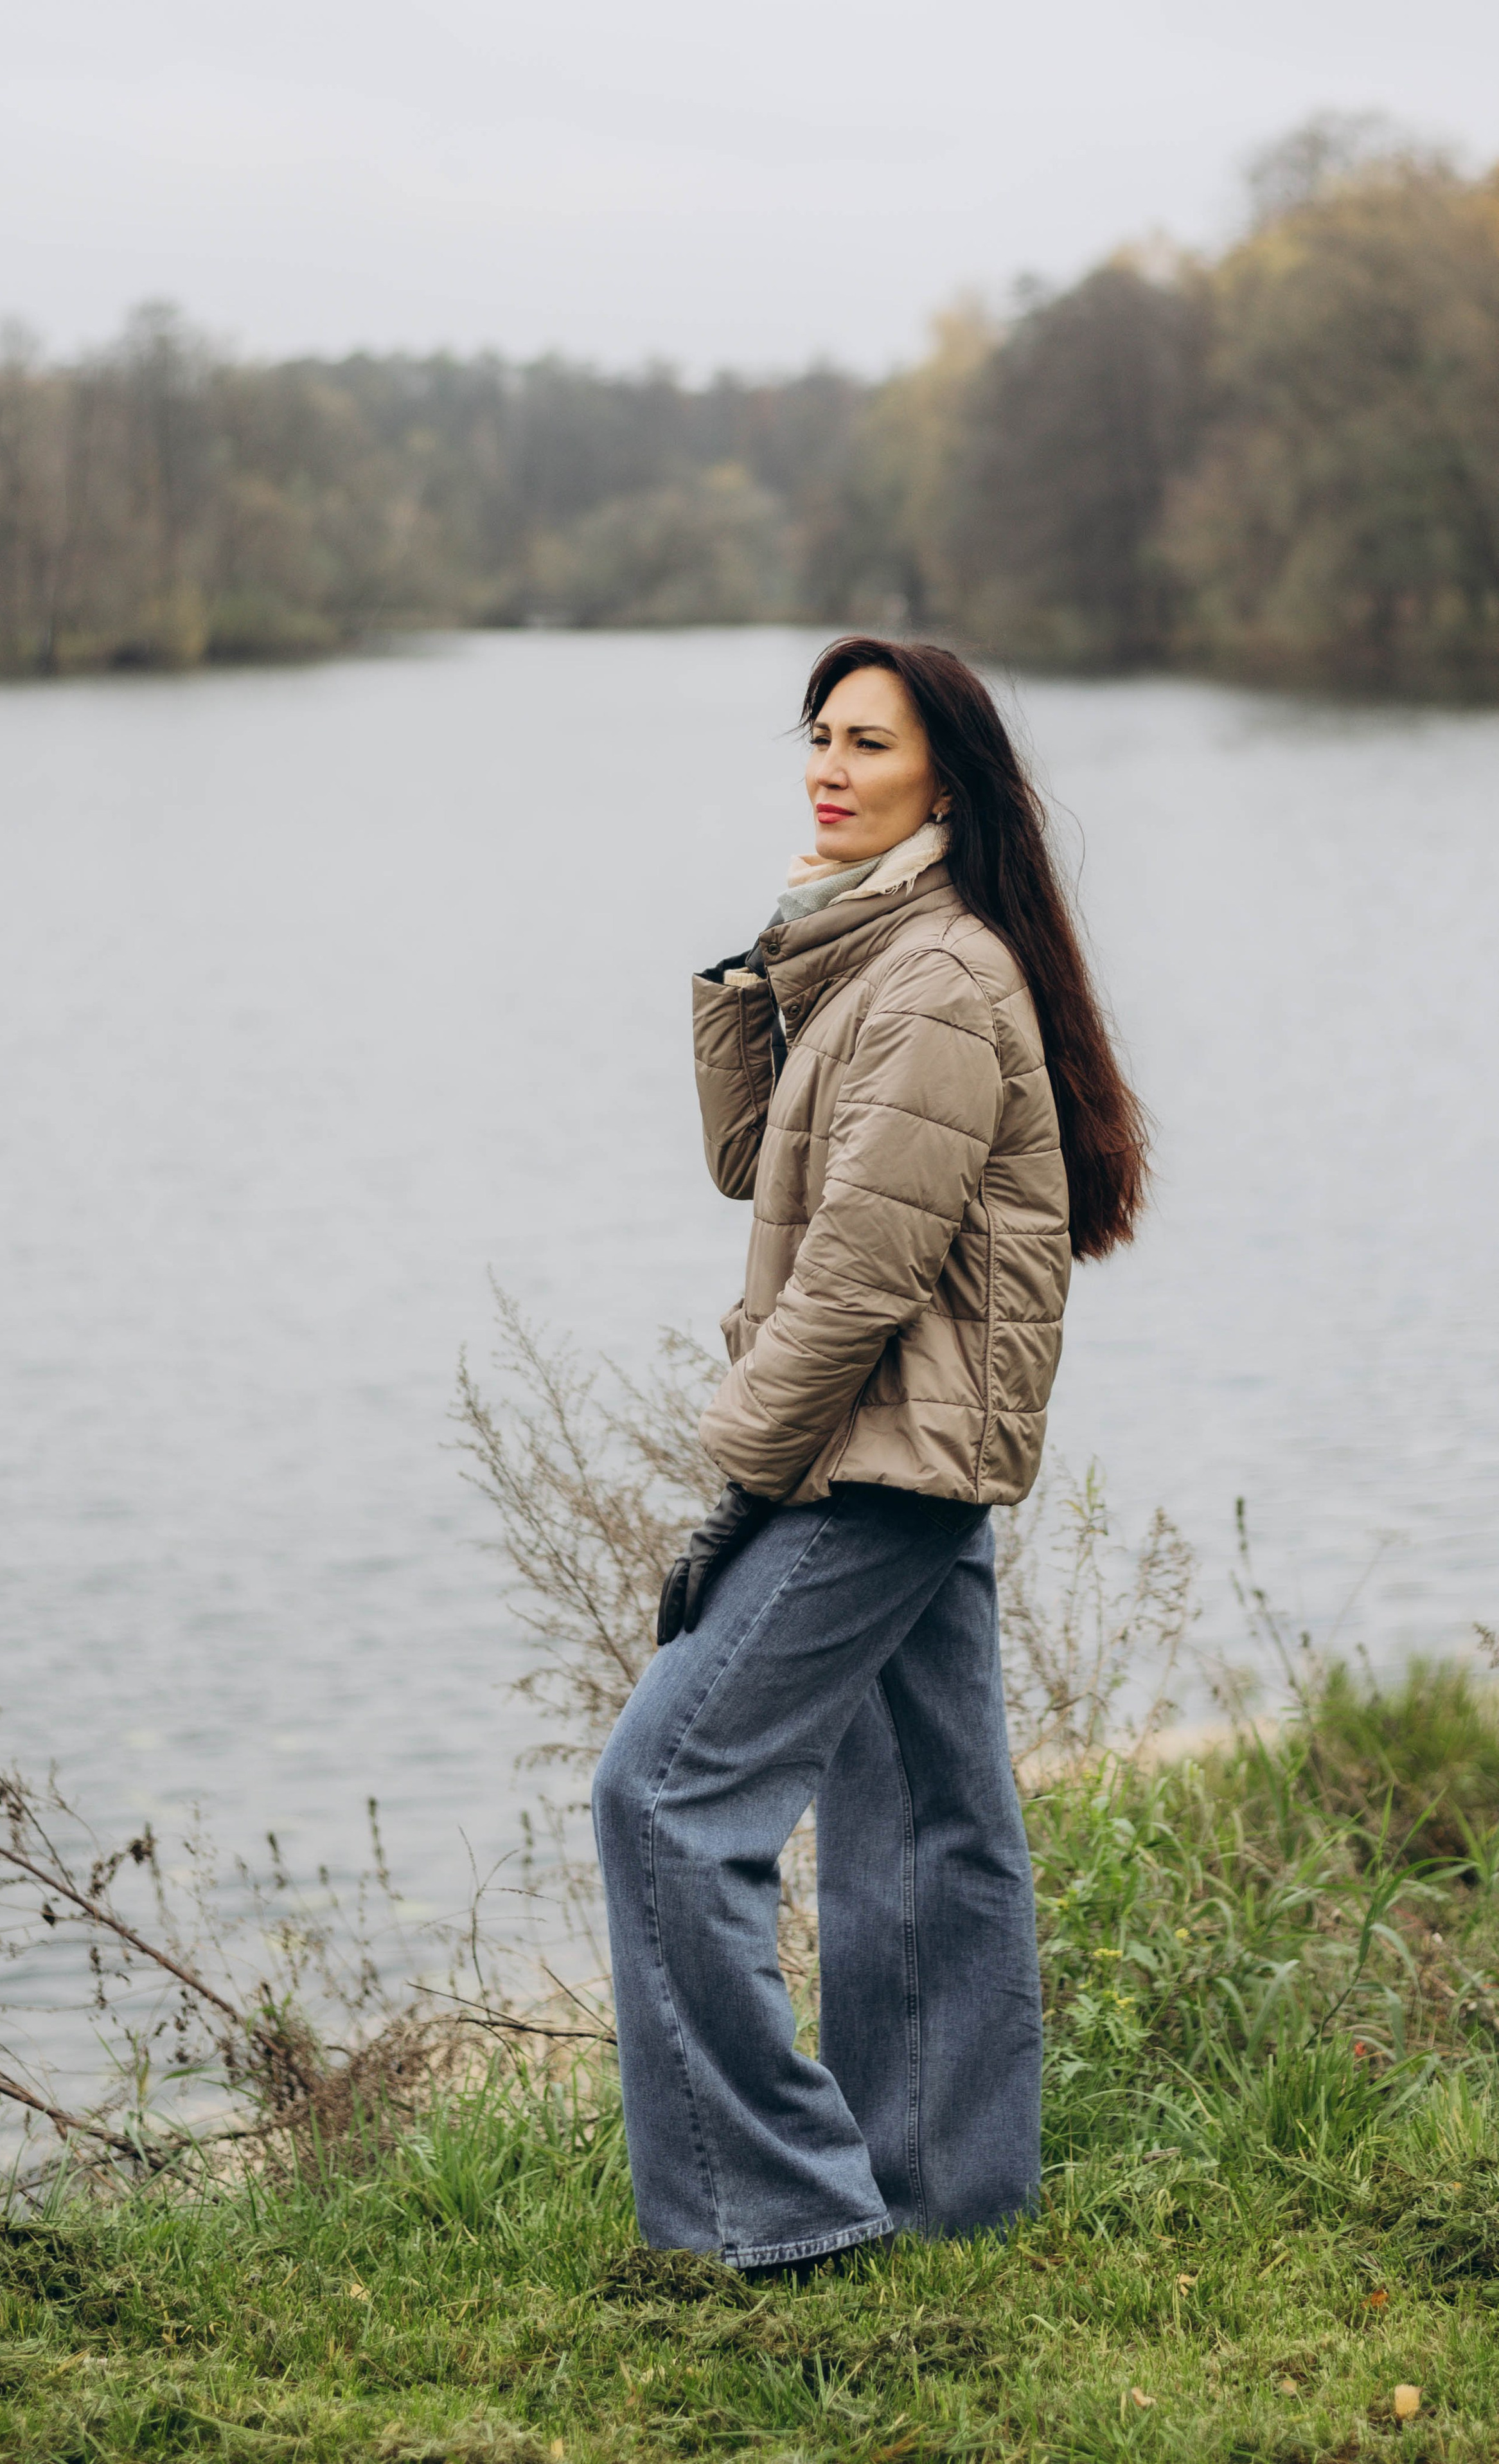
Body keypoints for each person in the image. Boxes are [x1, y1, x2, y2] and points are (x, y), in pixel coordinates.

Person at [591, 636, 1149, 2273]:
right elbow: (756, 1168)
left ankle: (769, 2214)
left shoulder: (937, 982)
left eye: (868, 746)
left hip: (871, 1464)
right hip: (901, 1456)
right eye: (817, 738)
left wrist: (742, 1478)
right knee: (929, 1831)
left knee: (662, 1798)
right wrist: (755, 983)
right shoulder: (877, 961)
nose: (828, 768)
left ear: (945, 785)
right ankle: (941, 2195)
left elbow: (856, 1275)